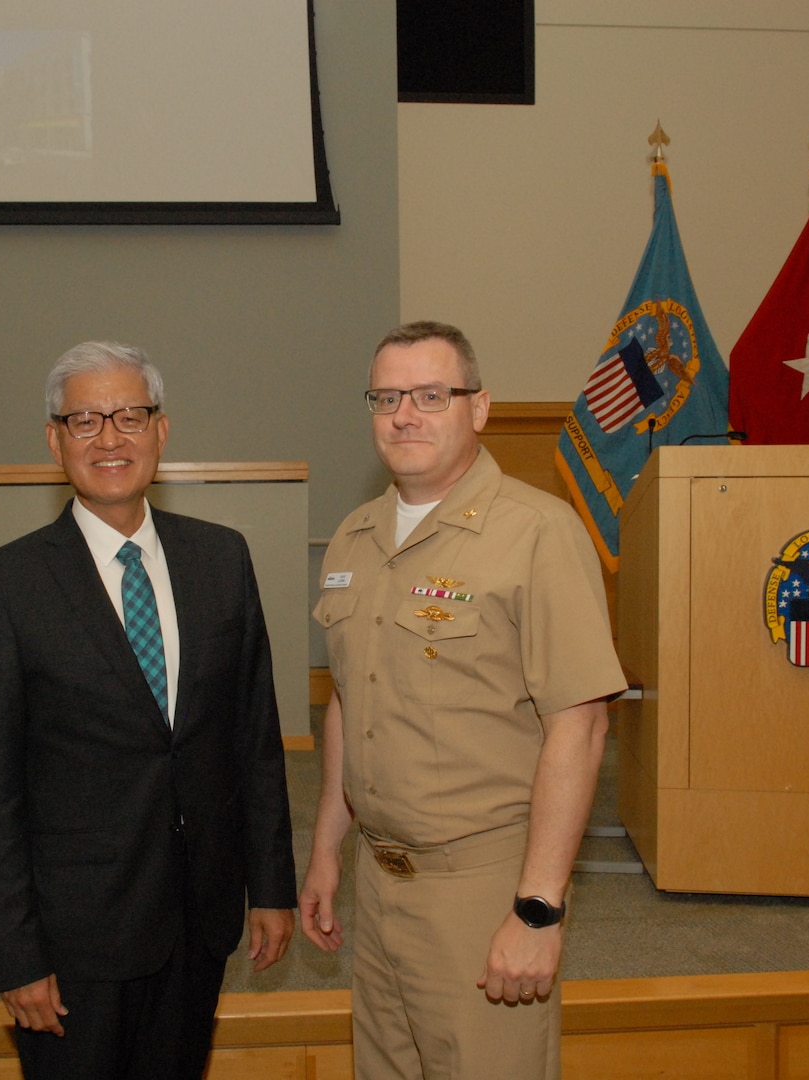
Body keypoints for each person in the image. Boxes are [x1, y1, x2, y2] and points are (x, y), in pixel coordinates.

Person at [0, 341, 297, 1080]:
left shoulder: (222, 558)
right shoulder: (4, 586)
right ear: (54, 441)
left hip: (197, 916)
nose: (109, 438)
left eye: (130, 416)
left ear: (161, 431)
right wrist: (15, 953)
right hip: (75, 938)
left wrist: (270, 887)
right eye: (84, 420)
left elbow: (253, 741)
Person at [300, 321, 626, 1079]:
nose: (403, 414)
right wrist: (324, 850)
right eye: (385, 397)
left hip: (482, 887)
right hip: (379, 884)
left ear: (477, 408)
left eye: (428, 395)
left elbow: (578, 728)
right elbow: (351, 701)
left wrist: (537, 910)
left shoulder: (537, 533)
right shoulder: (355, 536)